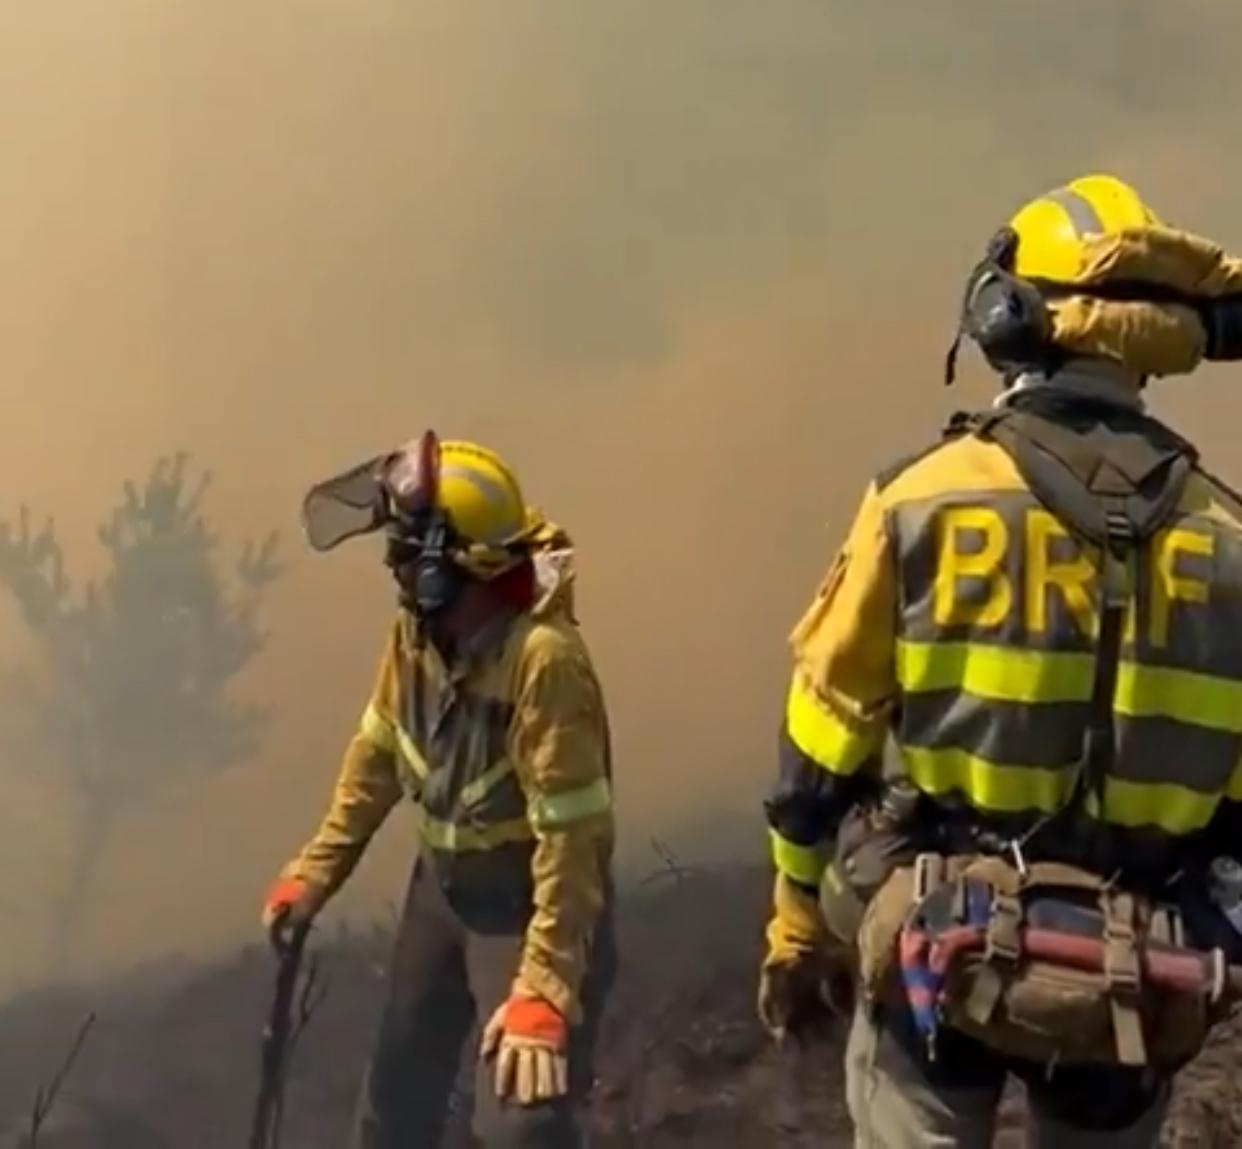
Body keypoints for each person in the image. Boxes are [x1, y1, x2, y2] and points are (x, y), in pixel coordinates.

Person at [758, 174, 1242, 1146]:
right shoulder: (1229, 538)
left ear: (1006, 315)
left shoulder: (922, 499)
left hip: (944, 957)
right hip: (1132, 981)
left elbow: (821, 748)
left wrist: (796, 921)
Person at [262, 431, 616, 1149]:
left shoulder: (543, 661)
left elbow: (574, 839)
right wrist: (314, 872)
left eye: (407, 551)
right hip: (441, 892)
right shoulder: (418, 635)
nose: (394, 566)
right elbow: (379, 752)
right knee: (393, 1107)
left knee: (523, 1124)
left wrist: (544, 986)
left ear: (452, 569)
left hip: (525, 907)